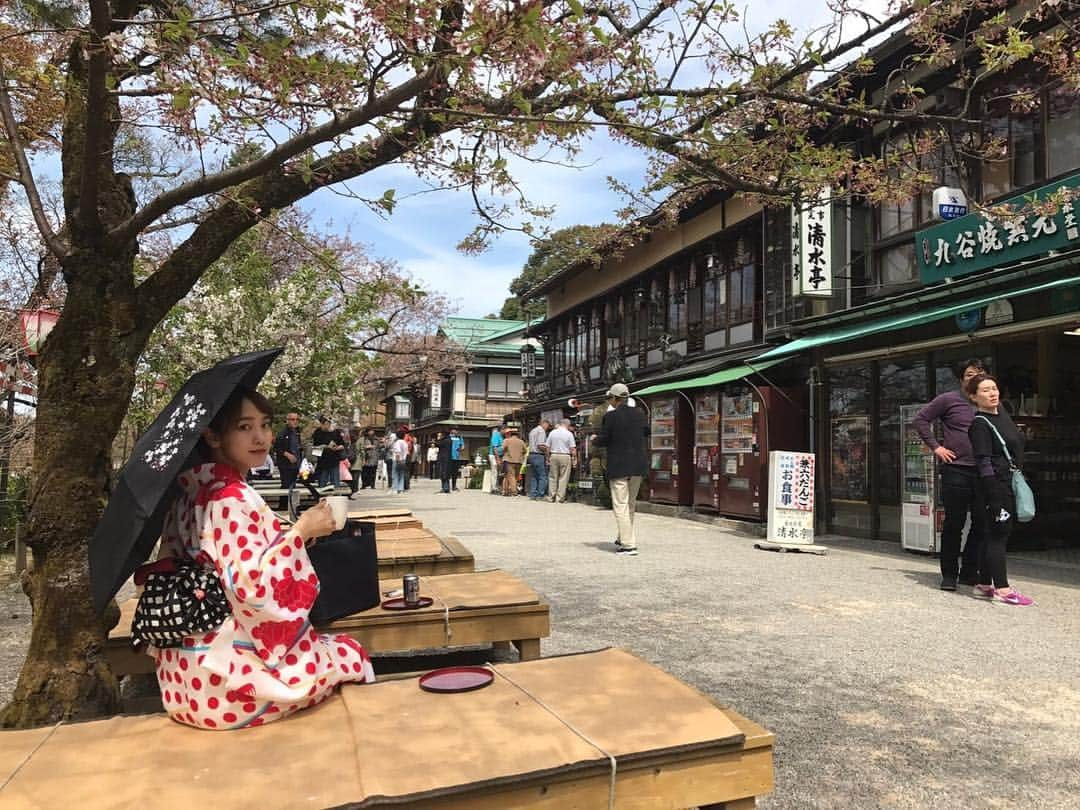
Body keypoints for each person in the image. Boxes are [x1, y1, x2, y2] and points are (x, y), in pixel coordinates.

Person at [154, 387, 375, 730]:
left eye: (265, 424)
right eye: (244, 427)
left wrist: (293, 537)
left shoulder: (189, 493)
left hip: (182, 682)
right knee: (350, 653)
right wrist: (300, 531)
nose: (260, 437)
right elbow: (254, 590)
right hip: (231, 690)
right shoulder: (232, 499)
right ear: (212, 434)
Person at [912, 358, 988, 590]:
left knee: (981, 523)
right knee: (955, 522)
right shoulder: (949, 399)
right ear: (961, 378)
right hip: (956, 469)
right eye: (969, 374)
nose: (975, 378)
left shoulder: (989, 401)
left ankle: (969, 571)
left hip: (984, 470)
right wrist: (937, 447)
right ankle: (949, 574)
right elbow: (921, 419)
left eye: (980, 373)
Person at [966, 374, 1034, 606]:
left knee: (991, 533)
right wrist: (993, 495)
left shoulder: (1002, 416)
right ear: (973, 397)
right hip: (993, 485)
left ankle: (984, 584)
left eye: (994, 388)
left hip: (1008, 481)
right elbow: (983, 461)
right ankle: (1002, 589)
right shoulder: (980, 423)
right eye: (985, 390)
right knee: (998, 534)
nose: (992, 393)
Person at [593, 383, 650, 556]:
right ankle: (623, 537)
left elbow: (604, 439)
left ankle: (628, 545)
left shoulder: (611, 416)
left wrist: (595, 439)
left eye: (611, 398)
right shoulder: (640, 414)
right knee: (630, 504)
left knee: (620, 505)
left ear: (615, 399)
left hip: (619, 466)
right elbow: (647, 432)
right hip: (638, 465)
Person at [546, 418, 577, 503]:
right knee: (563, 477)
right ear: (567, 425)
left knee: (552, 477)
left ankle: (551, 496)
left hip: (554, 455)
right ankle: (559, 498)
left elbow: (547, 447)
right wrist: (574, 458)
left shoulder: (552, 432)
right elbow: (572, 448)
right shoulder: (569, 434)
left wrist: (548, 457)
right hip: (565, 456)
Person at [312, 416, 345, 489]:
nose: (327, 426)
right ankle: (322, 497)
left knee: (335, 482)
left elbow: (342, 445)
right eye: (325, 424)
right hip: (322, 462)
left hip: (334, 460)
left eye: (328, 424)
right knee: (322, 482)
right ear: (321, 424)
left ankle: (336, 497)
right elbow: (315, 449)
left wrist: (337, 448)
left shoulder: (336, 432)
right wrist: (325, 446)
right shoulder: (317, 432)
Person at [272, 411, 302, 491]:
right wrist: (287, 454)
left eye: (296, 419)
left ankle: (292, 503)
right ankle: (283, 503)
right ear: (287, 420)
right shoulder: (283, 433)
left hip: (295, 465)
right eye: (292, 419)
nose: (295, 421)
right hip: (285, 465)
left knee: (293, 487)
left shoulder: (297, 432)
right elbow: (276, 447)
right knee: (286, 486)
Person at [527, 419, 550, 500]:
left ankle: (533, 494)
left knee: (534, 475)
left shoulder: (532, 431)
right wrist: (547, 452)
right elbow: (540, 445)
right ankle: (541, 494)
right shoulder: (541, 431)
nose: (547, 427)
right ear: (544, 423)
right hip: (538, 455)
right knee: (542, 476)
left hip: (531, 454)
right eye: (548, 425)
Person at [501, 427, 527, 496]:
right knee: (515, 477)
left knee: (509, 476)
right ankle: (506, 491)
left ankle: (513, 492)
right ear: (517, 434)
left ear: (511, 434)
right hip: (519, 461)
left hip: (509, 460)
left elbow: (502, 449)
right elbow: (525, 451)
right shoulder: (521, 441)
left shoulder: (507, 440)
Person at [390, 429, 409, 494]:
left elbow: (398, 452)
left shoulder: (397, 442)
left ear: (397, 436)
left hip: (397, 460)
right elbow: (406, 452)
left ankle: (395, 488)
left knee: (395, 474)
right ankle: (401, 489)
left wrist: (398, 460)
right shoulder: (405, 443)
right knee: (401, 475)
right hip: (404, 460)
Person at [488, 425, 504, 493]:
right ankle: (494, 488)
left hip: (499, 456)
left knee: (498, 472)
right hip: (494, 456)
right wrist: (497, 459)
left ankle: (497, 486)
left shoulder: (501, 436)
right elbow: (495, 448)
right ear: (501, 429)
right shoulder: (496, 435)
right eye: (505, 430)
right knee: (495, 471)